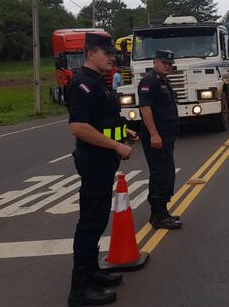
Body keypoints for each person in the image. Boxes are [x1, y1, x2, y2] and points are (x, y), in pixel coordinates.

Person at [65, 32, 137, 307]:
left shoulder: (98, 83)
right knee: (90, 223)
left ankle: (93, 272)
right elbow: (79, 127)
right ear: (91, 53)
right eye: (107, 54)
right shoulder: (82, 84)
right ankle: (80, 290)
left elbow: (104, 120)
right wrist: (117, 147)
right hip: (94, 160)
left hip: (103, 160)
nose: (112, 58)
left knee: (96, 221)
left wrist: (125, 131)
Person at [138, 50, 183, 230]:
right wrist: (154, 134)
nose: (167, 66)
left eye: (170, 64)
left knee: (165, 172)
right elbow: (145, 108)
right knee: (161, 174)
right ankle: (158, 216)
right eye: (164, 63)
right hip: (158, 136)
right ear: (155, 62)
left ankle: (161, 212)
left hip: (166, 135)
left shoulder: (162, 81)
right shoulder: (149, 81)